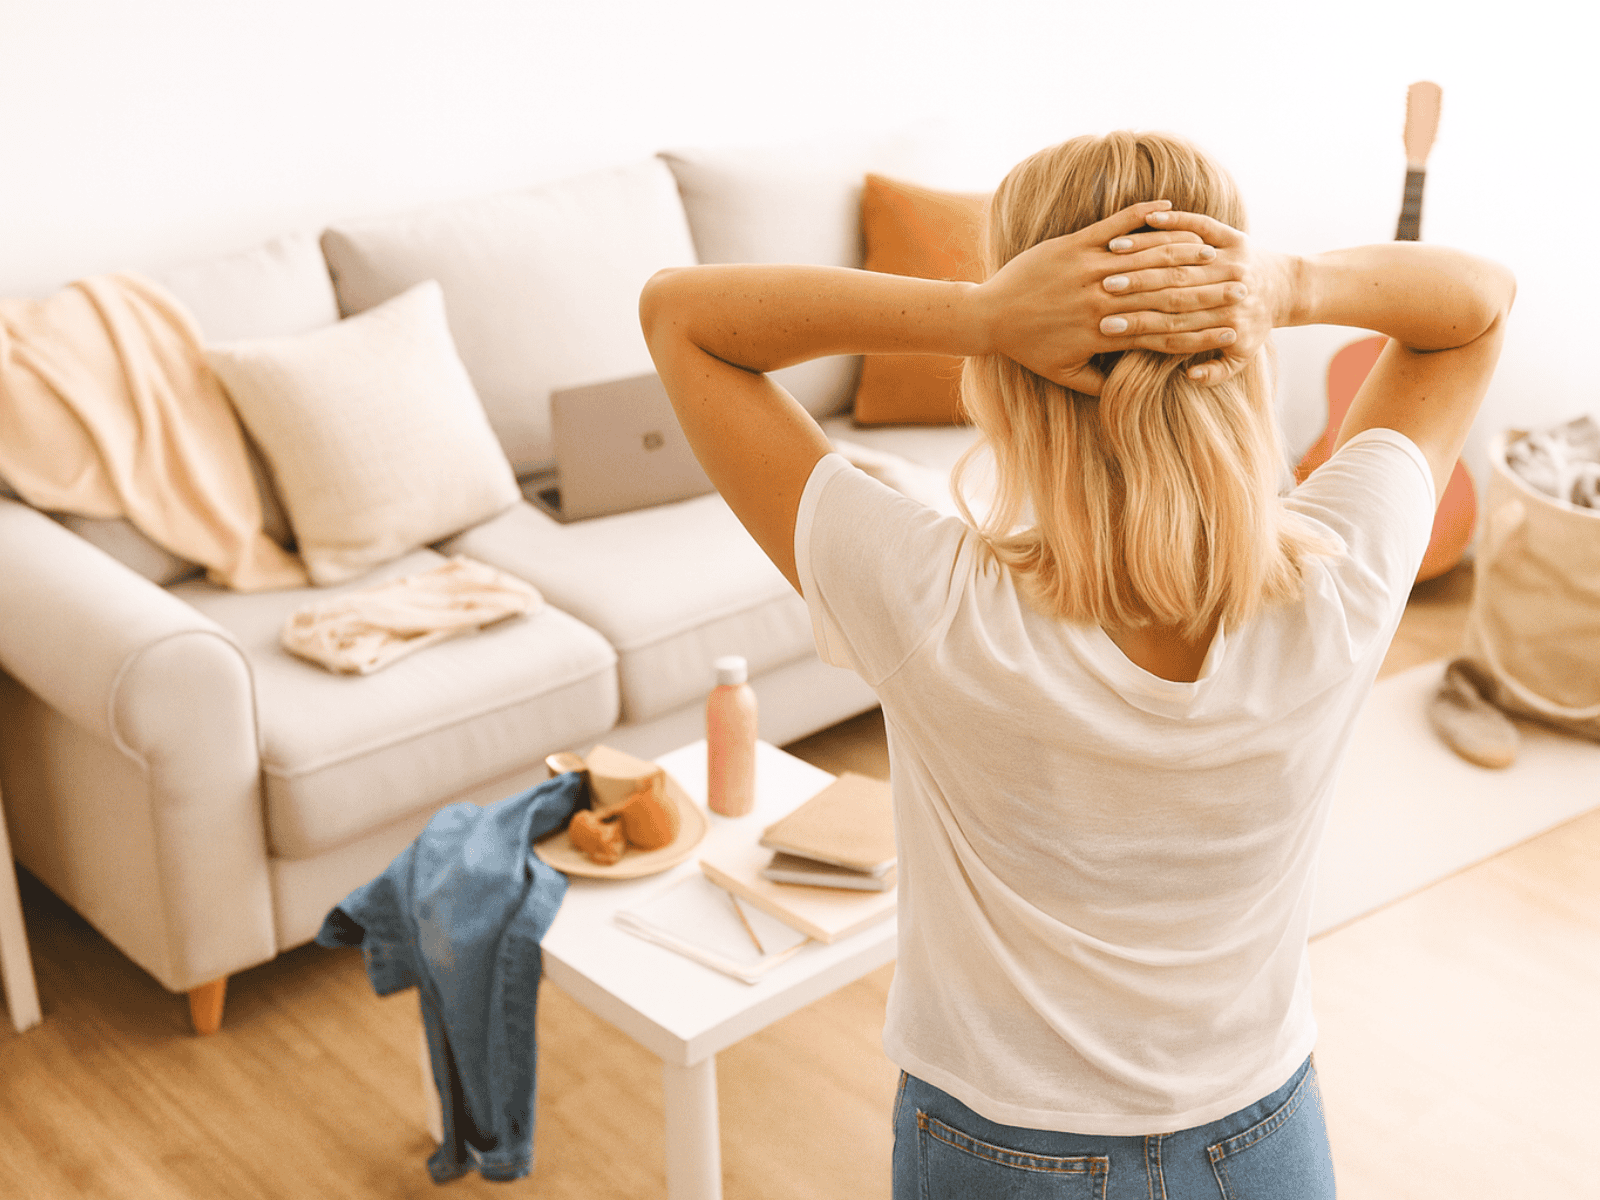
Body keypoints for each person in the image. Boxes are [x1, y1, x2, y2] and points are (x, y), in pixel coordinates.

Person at [639, 130, 1514, 1198]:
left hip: (1000, 1154)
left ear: (1014, 372)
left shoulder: (931, 600)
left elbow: (680, 318)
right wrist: (1291, 282)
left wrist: (980, 314)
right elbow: (1476, 306)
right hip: (1265, 1139)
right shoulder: (1345, 574)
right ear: (1241, 350)